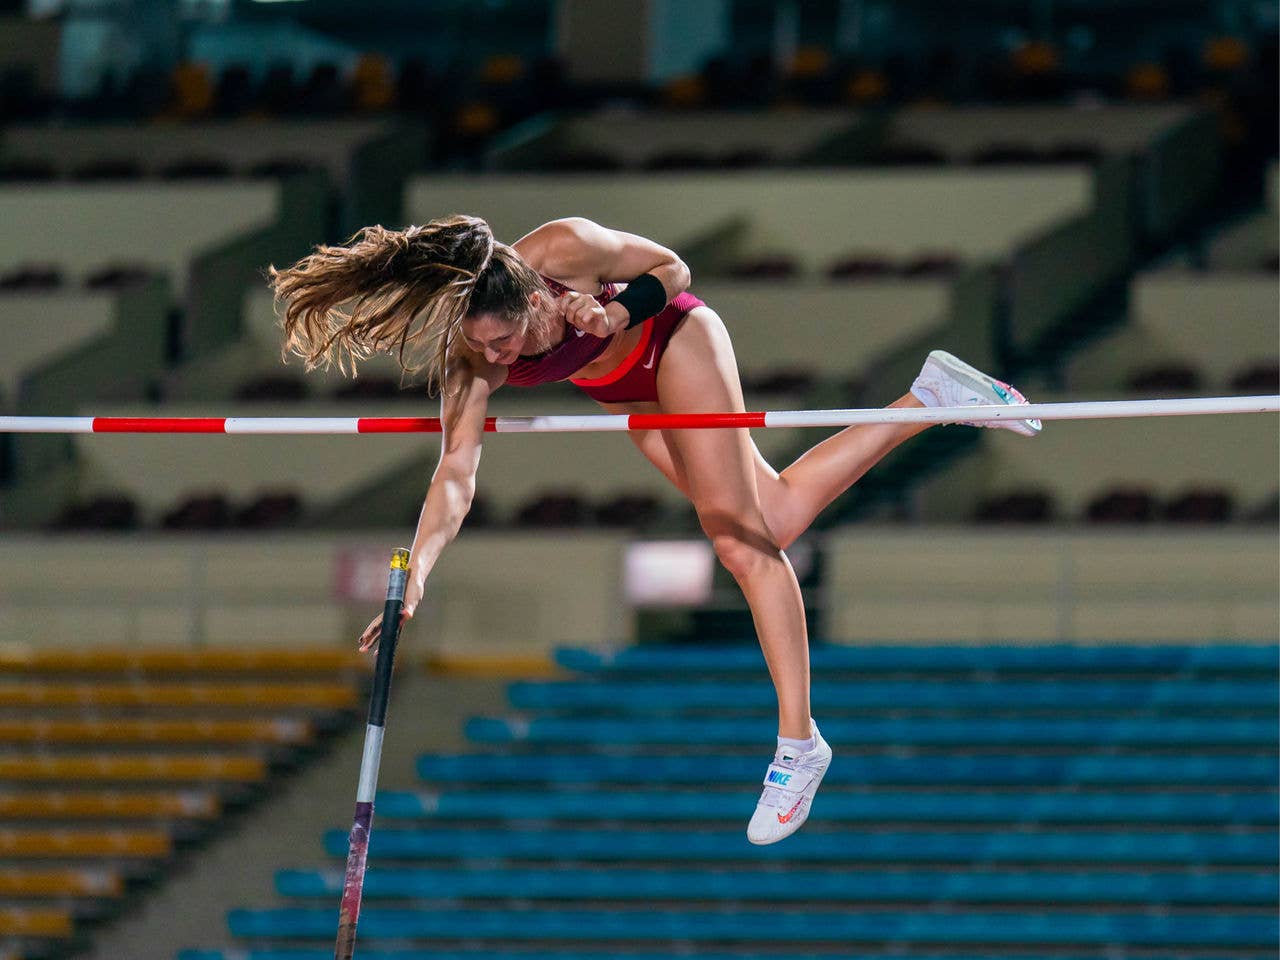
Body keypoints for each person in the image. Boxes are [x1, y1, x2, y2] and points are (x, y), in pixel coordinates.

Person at [269, 214, 1040, 845]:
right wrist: (422, 574)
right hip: (625, 395)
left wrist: (614, 311)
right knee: (774, 515)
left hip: (677, 342)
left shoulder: (564, 248)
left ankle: (798, 745)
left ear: (535, 297)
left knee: (742, 542)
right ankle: (931, 396)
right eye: (485, 348)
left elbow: (674, 268)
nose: (498, 358)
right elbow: (456, 476)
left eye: (507, 341)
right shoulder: (471, 362)